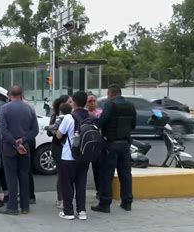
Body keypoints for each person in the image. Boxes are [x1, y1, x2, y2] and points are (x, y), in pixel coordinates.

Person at [91, 84, 137, 213]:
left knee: (107, 175)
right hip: (125, 143)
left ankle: (105, 204)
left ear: (111, 94)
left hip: (111, 143)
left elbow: (101, 123)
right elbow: (133, 124)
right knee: (126, 174)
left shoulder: (110, 105)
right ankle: (127, 202)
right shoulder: (131, 105)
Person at [0, 85, 39, 215]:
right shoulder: (29, 108)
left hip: (9, 148)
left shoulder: (4, 109)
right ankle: (25, 206)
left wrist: (15, 142)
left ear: (10, 95)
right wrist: (22, 140)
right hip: (25, 147)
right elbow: (35, 130)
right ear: (22, 94)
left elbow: (3, 130)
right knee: (24, 176)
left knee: (11, 177)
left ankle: (12, 207)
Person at [55, 91, 90, 220]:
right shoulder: (90, 117)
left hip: (69, 156)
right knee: (81, 184)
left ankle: (68, 212)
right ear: (86, 102)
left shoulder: (69, 117)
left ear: (73, 103)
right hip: (85, 157)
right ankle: (81, 211)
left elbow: (59, 135)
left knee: (67, 185)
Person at [46, 95, 72, 209]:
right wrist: (56, 129)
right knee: (61, 173)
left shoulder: (72, 116)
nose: (72, 103)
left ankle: (67, 197)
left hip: (68, 147)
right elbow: (49, 133)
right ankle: (60, 198)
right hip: (58, 147)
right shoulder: (56, 117)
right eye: (69, 102)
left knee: (68, 174)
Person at [86, 93, 103, 199]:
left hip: (97, 144)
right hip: (86, 145)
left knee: (98, 169)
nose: (92, 103)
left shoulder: (101, 113)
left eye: (94, 101)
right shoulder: (84, 114)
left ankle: (99, 190)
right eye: (90, 101)